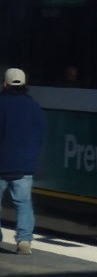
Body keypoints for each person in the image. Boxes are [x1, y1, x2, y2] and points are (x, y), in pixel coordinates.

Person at [0, 68, 45, 255]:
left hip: (1, 164)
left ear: (5, 84)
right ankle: (24, 240)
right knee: (24, 203)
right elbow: (40, 135)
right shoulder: (34, 106)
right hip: (25, 165)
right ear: (25, 85)